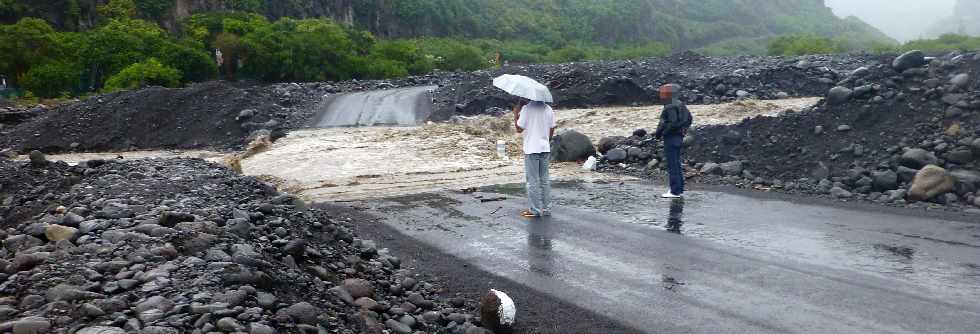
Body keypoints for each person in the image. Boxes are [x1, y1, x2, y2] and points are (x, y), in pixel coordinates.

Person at [514, 99, 557, 217]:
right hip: (544, 147)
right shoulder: (548, 109)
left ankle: (535, 210)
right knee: (544, 180)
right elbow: (552, 127)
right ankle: (547, 209)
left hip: (531, 148)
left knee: (532, 180)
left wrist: (515, 114)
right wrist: (546, 140)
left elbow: (519, 129)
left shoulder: (527, 109)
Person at [654, 84, 693, 198]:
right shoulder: (681, 104)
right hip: (679, 137)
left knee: (672, 165)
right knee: (676, 163)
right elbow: (689, 119)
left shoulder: (669, 106)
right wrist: (684, 130)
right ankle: (679, 190)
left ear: (669, 93)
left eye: (663, 92)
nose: (661, 94)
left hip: (671, 137)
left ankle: (674, 191)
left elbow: (671, 123)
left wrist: (662, 133)